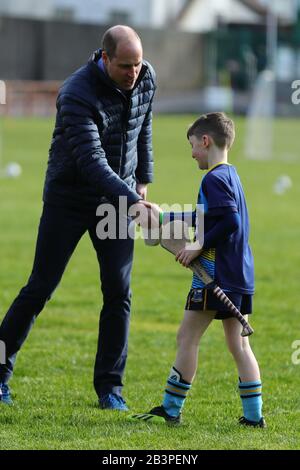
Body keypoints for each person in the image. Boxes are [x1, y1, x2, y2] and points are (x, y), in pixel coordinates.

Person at [0, 25, 156, 410]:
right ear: (105, 58)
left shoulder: (146, 76)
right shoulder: (76, 92)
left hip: (118, 200)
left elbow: (142, 128)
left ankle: (110, 390)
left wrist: (144, 179)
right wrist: (131, 198)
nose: (133, 72)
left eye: (137, 64)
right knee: (40, 288)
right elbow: (91, 161)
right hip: (69, 198)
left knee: (119, 294)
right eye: (125, 66)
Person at [132, 112, 266, 427]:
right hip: (239, 275)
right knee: (239, 345)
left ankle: (171, 409)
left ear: (205, 141)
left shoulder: (213, 178)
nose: (192, 153)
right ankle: (253, 417)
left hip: (213, 275)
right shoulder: (231, 175)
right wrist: (165, 217)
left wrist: (197, 245)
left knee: (186, 337)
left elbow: (229, 221)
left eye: (193, 145)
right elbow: (210, 215)